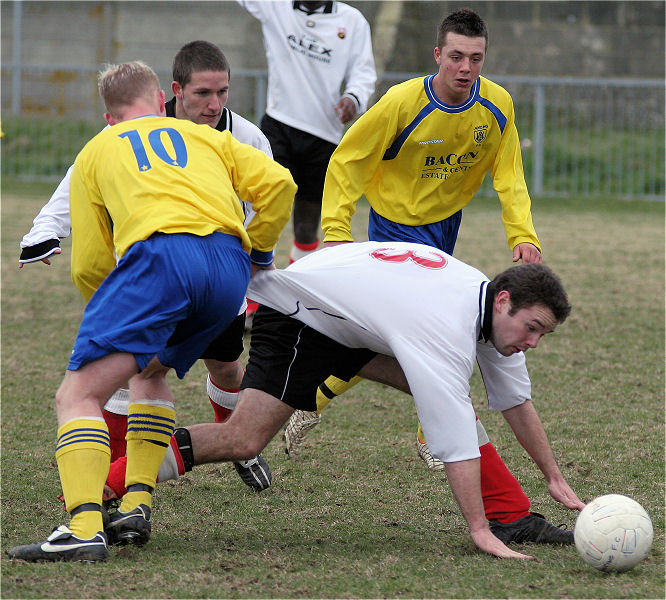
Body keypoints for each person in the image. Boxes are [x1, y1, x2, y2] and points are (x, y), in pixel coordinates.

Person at [105, 241, 583, 560]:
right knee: (243, 439)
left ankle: (510, 514)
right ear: (503, 302)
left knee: (449, 397)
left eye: (543, 332)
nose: (534, 341)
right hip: (303, 316)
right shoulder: (447, 327)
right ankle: (107, 484)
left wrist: (555, 477)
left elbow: (516, 400)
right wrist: (474, 532)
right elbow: (453, 436)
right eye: (533, 328)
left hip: (355, 323)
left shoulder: (488, 308)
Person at [282, 7, 561, 544]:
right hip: (392, 226)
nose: (465, 67)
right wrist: (336, 233)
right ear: (437, 55)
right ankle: (425, 430)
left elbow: (509, 175)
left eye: (475, 58)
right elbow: (347, 161)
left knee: (412, 338)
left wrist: (523, 235)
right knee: (411, 340)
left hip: (444, 228)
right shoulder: (402, 103)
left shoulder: (496, 105)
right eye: (455, 56)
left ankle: (323, 397)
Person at [8, 60, 295, 563]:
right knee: (151, 369)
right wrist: (259, 253)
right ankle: (137, 501)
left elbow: (93, 260)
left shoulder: (98, 149)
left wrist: (107, 309)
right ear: (161, 96)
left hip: (161, 259)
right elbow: (280, 187)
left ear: (108, 116)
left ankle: (82, 528)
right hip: (228, 268)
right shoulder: (205, 138)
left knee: (77, 393)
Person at [236, 0, 376, 321]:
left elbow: (363, 71)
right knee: (260, 210)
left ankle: (294, 298)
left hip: (324, 135)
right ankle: (252, 299)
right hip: (278, 125)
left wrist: (353, 98)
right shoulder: (277, 7)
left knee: (307, 223)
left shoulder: (351, 20)